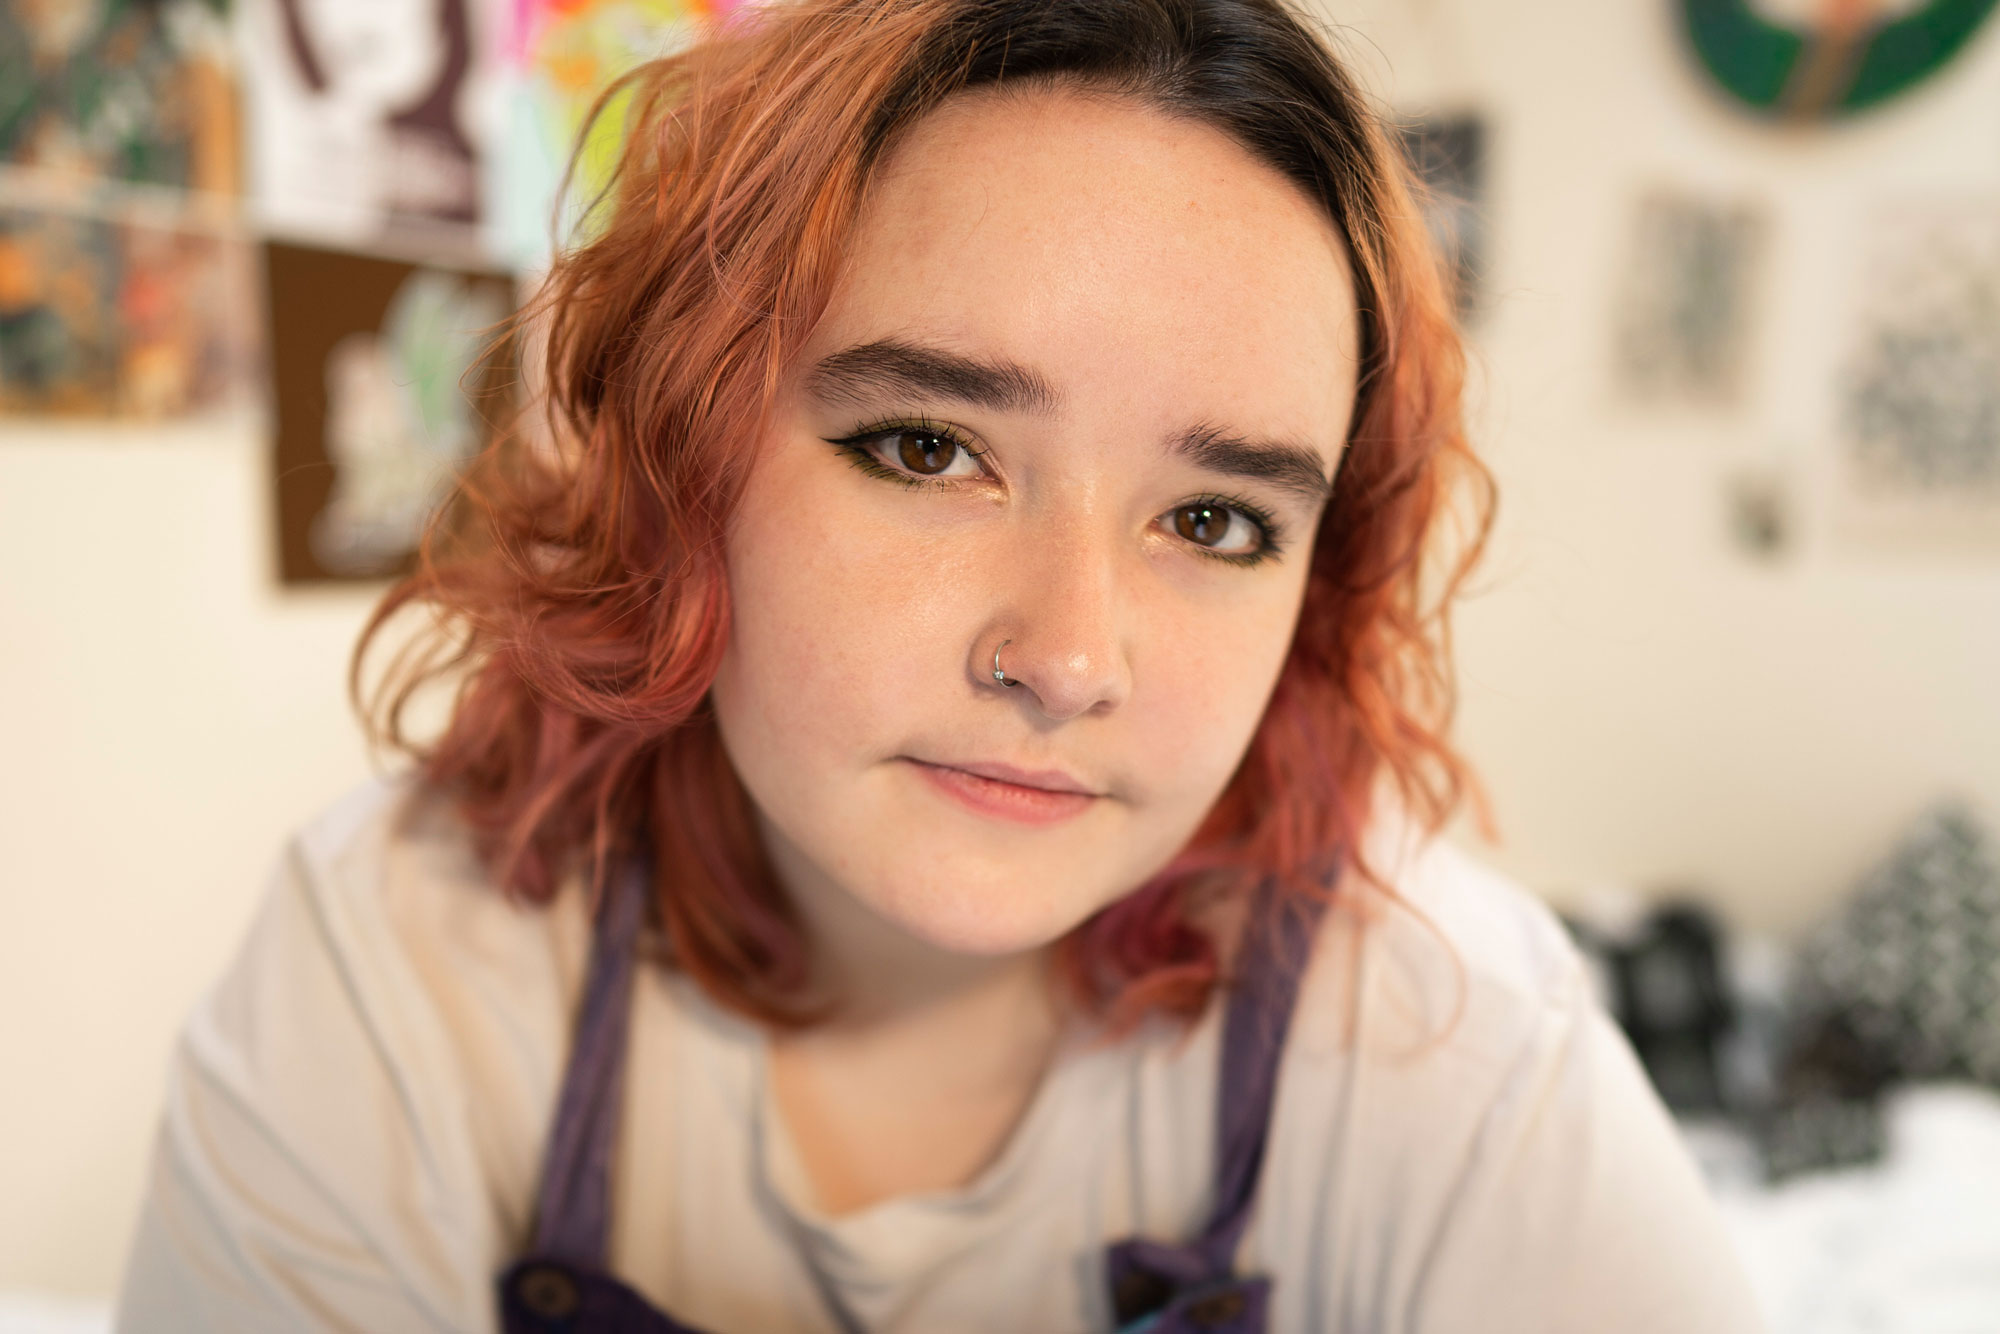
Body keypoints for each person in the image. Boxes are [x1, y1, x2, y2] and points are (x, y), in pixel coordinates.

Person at [114, 1, 1768, 1330]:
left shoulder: (1454, 1045)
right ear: (687, 459)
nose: (1067, 658)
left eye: (1214, 520)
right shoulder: (399, 965)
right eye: (927, 447)